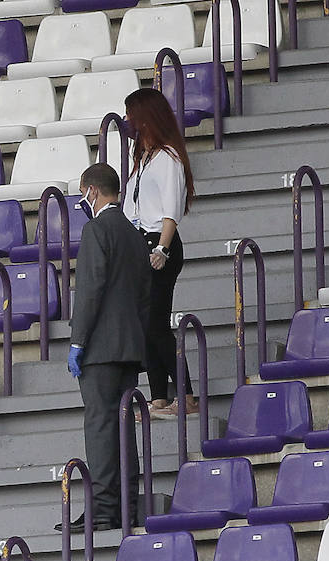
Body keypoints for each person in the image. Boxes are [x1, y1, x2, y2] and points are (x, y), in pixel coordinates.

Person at [61, 162, 151, 531]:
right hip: (129, 347)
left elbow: (90, 290)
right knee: (123, 428)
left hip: (100, 348)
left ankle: (102, 508)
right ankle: (127, 504)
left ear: (92, 191)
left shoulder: (97, 229)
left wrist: (78, 340)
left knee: (100, 428)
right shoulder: (133, 233)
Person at [122, 88, 198, 419]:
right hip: (140, 240)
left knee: (156, 323)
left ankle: (187, 394)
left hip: (158, 241)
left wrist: (162, 248)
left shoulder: (168, 157)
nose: (127, 122)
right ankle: (159, 396)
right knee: (145, 324)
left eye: (131, 115)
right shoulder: (143, 157)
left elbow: (171, 209)